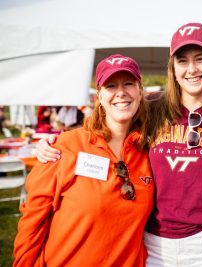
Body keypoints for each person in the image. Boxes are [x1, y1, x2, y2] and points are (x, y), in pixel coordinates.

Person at [35, 22, 202, 266]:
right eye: (182, 61)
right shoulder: (152, 108)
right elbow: (106, 129)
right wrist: (57, 140)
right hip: (155, 244)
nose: (192, 69)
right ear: (173, 68)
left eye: (200, 59)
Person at [13, 54, 154, 266]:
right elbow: (33, 221)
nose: (121, 92)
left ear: (140, 91)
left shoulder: (149, 151)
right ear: (99, 96)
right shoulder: (64, 146)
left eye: (128, 83)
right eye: (111, 86)